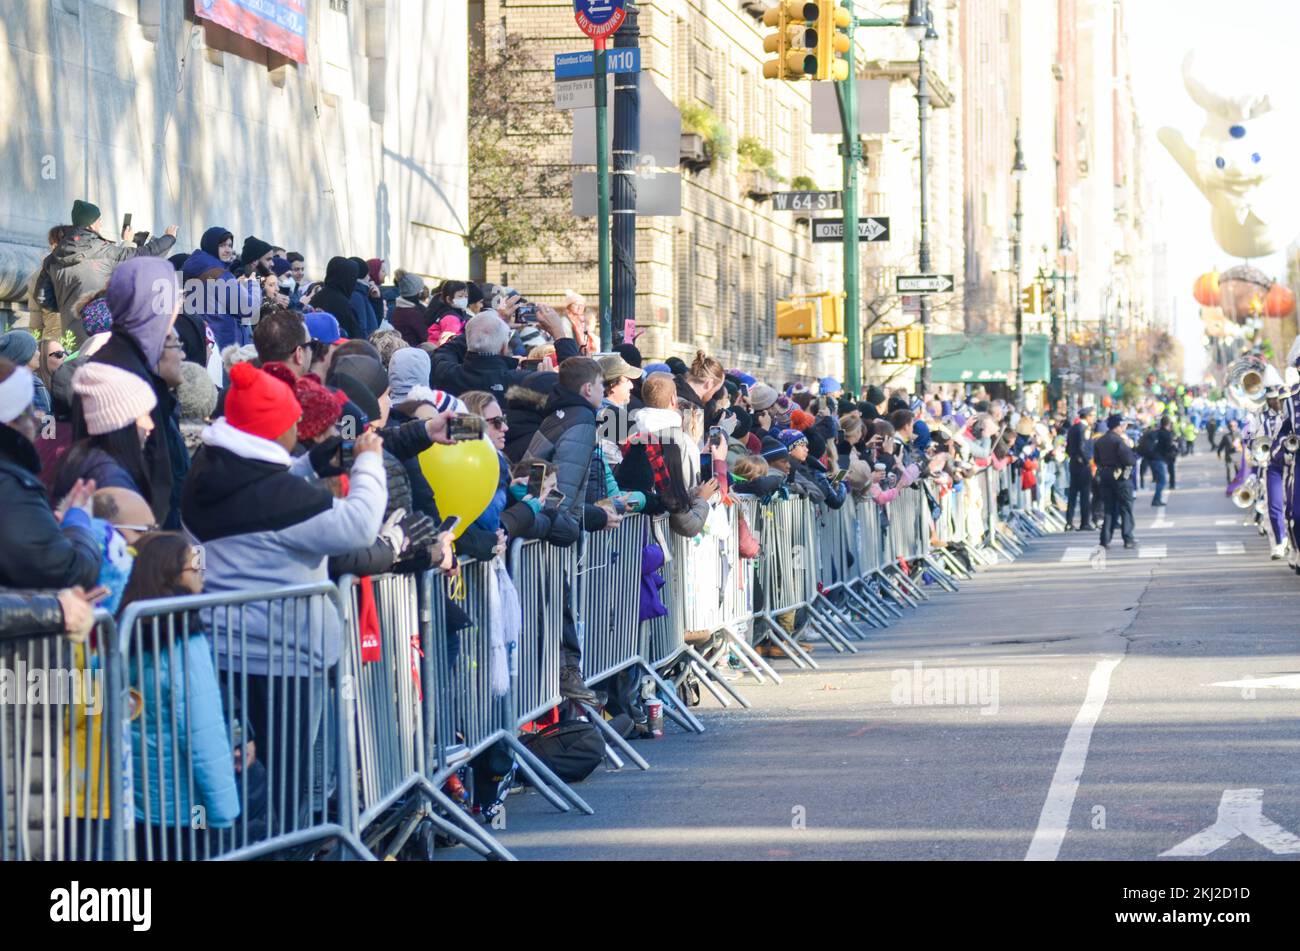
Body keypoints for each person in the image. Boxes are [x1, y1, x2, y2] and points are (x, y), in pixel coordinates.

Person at [118, 531, 241, 851]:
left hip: (138, 805)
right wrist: (224, 813)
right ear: (170, 575)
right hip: (190, 810)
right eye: (194, 566)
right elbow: (203, 735)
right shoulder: (187, 643)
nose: (201, 573)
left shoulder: (121, 634)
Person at [0, 357, 101, 590]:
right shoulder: (12, 489)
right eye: (29, 410)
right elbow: (65, 570)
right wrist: (78, 521)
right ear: (14, 420)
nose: (37, 418)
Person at [47, 199, 178, 345]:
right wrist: (169, 238)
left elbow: (42, 298)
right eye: (99, 220)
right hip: (101, 336)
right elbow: (141, 255)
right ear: (91, 224)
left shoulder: (52, 258)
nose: (101, 224)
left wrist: (68, 307)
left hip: (70, 337)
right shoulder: (103, 249)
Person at [53, 363, 158, 500]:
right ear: (120, 422)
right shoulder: (111, 480)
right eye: (143, 415)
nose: (150, 425)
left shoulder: (84, 459)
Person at [1094, 413, 1138, 549]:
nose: (1124, 427)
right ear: (1117, 427)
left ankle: (1105, 540)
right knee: (1125, 508)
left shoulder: (1100, 441)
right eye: (1122, 425)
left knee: (1109, 509)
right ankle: (1128, 539)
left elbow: (1097, 460)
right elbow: (1130, 460)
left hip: (1105, 476)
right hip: (1120, 477)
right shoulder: (1119, 441)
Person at [1064, 406, 1095, 531]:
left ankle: (1069, 521)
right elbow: (1083, 447)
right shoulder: (1084, 429)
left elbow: (1068, 448)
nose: (1093, 418)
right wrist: (1088, 461)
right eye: (1092, 415)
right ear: (1087, 416)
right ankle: (1084, 522)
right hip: (1082, 465)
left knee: (1072, 494)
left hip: (1073, 464)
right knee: (1084, 495)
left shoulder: (1072, 428)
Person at [390, 273, 429, 346]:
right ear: (417, 292)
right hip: (414, 350)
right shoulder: (411, 313)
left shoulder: (400, 308)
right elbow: (426, 337)